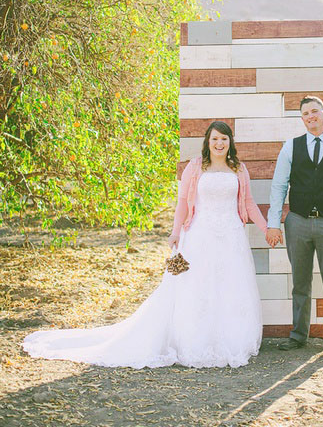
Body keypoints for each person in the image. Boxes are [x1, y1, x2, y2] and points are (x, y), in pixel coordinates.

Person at [22, 121, 268, 369]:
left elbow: (248, 204)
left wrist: (267, 229)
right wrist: (175, 233)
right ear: (207, 141)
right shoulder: (195, 168)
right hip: (198, 236)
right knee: (192, 288)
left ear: (230, 142)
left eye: (224, 139)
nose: (219, 144)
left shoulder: (239, 169)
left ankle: (228, 341)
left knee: (229, 288)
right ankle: (196, 342)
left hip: (230, 238)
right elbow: (183, 202)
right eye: (215, 139)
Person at [266, 95, 323, 355]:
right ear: (302, 118)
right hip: (298, 222)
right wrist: (275, 223)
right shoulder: (290, 147)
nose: (311, 116)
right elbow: (279, 187)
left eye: (315, 111)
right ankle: (298, 335)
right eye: (306, 113)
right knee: (300, 282)